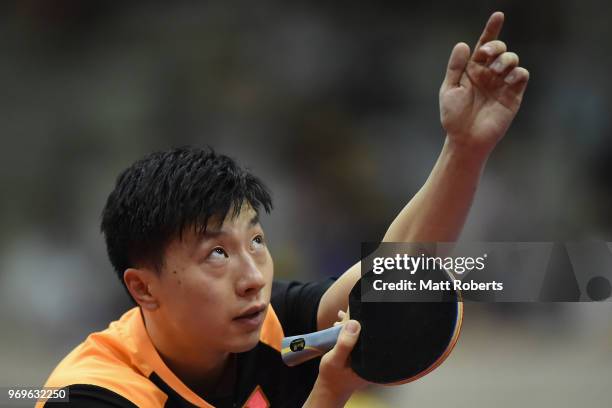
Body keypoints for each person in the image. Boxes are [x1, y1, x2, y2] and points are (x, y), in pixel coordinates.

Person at [38, 11, 528, 408]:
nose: (253, 277)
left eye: (256, 242)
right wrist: (328, 396)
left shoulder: (272, 323)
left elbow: (397, 274)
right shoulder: (92, 394)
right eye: (216, 254)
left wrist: (463, 150)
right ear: (144, 287)